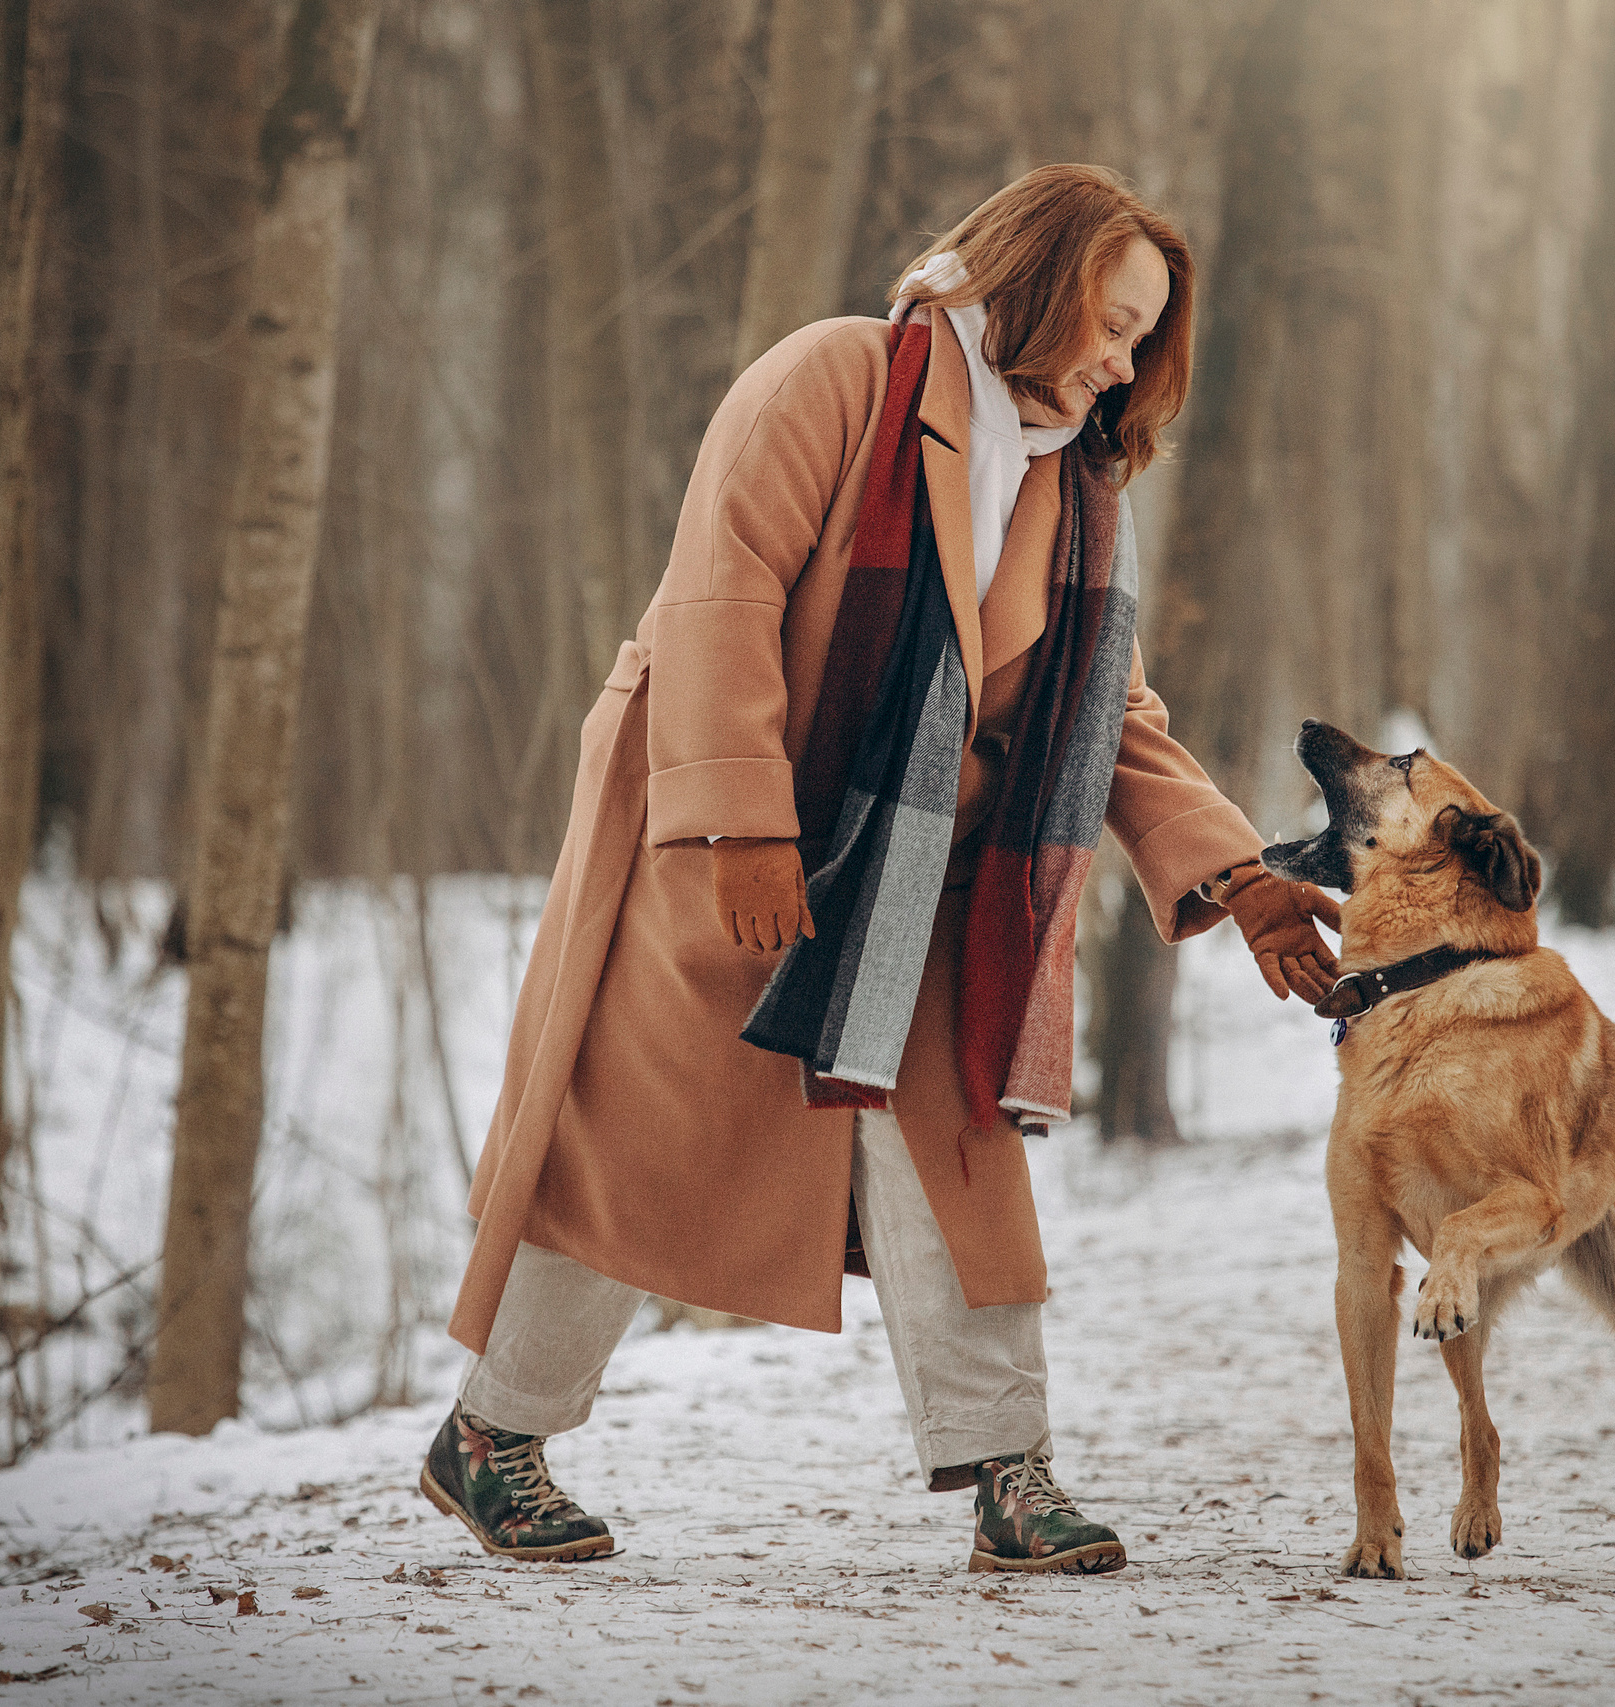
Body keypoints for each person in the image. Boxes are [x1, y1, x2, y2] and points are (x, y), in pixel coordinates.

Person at [422, 165, 1342, 1575]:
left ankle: (1010, 1474)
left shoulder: (1073, 484)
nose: (1125, 360)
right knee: (635, 1135)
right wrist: (739, 828)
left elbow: (1108, 714)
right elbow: (716, 595)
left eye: (1146, 339)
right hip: (737, 820)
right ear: (1031, 279)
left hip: (938, 865)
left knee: (959, 1146)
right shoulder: (837, 379)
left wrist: (1234, 877)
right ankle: (491, 1439)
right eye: (1113, 319)